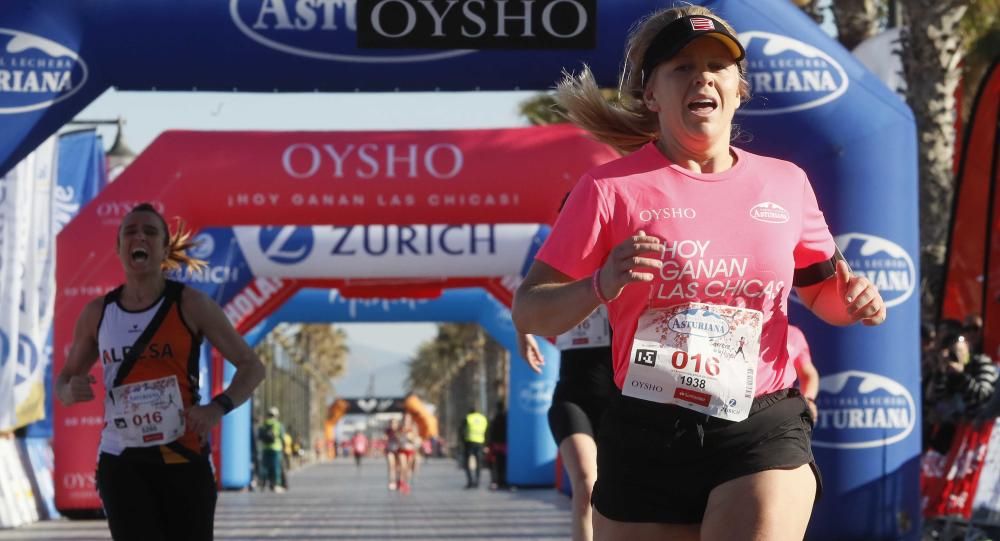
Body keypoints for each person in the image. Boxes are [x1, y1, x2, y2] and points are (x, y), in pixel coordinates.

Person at [511, 6, 887, 540]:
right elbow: (530, 308)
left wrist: (852, 302)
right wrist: (601, 284)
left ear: (738, 90)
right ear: (651, 95)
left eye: (718, 66)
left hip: (761, 423)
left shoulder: (786, 184)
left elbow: (824, 291)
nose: (703, 76)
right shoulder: (609, 190)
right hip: (646, 430)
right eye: (681, 68)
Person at [56, 203, 266, 541]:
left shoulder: (190, 304)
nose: (139, 236)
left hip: (181, 455)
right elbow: (64, 381)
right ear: (119, 247)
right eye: (130, 231)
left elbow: (252, 366)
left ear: (164, 249)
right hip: (121, 459)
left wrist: (217, 407)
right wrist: (70, 390)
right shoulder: (97, 313)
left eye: (150, 232)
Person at [519, 308, 615, 541]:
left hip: (618, 402)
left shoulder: (623, 278)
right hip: (572, 400)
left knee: (619, 493)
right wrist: (522, 332)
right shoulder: (563, 277)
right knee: (586, 486)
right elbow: (527, 298)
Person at [787, 325, 819, 420]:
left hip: (779, 411)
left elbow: (808, 374)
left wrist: (808, 400)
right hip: (743, 408)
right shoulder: (743, 327)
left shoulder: (794, 334)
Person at [258, 406, 286, 492]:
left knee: (265, 467)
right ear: (276, 415)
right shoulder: (278, 424)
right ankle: (276, 484)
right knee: (276, 467)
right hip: (276, 449)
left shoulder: (263, 424)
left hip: (265, 448)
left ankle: (262, 484)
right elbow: (282, 437)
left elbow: (259, 436)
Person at [461, 406, 488, 489]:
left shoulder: (468, 418)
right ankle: (477, 481)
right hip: (480, 442)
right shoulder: (483, 418)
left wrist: (462, 442)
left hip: (469, 442)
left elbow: (462, 430)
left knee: (467, 462)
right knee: (479, 463)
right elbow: (487, 431)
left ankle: (470, 481)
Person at [486, 400, 509, 491]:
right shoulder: (507, 417)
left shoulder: (495, 418)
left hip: (496, 444)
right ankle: (503, 480)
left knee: (497, 464)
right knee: (504, 463)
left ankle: (498, 481)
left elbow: (491, 432)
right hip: (505, 444)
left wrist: (489, 443)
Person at [384, 418, 402, 490]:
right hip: (390, 450)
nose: (392, 425)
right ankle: (392, 482)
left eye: (394, 423)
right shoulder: (388, 431)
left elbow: (402, 439)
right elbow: (385, 438)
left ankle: (398, 480)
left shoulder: (400, 430)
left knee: (398, 467)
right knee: (391, 466)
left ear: (397, 424)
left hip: (399, 450)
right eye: (391, 423)